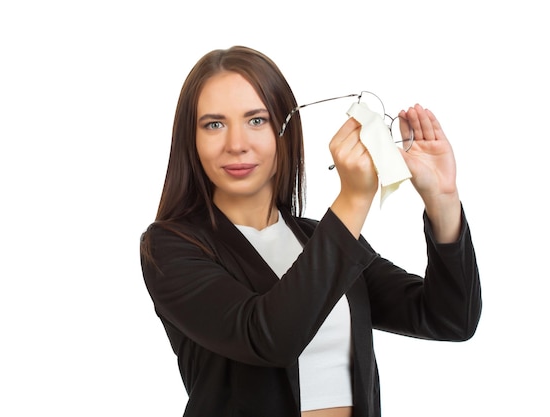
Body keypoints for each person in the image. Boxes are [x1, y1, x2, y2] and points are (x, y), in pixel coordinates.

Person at [139, 45, 482, 417]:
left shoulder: (320, 239)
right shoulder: (170, 247)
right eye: (214, 124)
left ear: (285, 132)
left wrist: (442, 199)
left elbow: (450, 318)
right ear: (191, 139)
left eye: (257, 120)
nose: (236, 145)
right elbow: (270, 338)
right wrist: (353, 199)